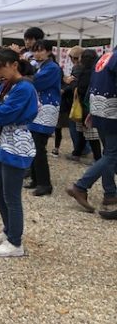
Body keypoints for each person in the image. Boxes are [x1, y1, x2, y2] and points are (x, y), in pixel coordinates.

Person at [0, 48, 38, 257]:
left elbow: (2, 115)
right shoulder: (10, 85)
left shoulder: (24, 88)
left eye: (1, 67)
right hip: (6, 141)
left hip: (17, 143)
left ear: (14, 64)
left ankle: (15, 243)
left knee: (12, 196)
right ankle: (8, 231)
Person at [66, 46, 117, 215]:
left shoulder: (106, 57)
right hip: (112, 112)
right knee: (112, 154)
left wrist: (91, 110)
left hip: (99, 109)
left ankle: (110, 193)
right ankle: (81, 186)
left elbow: (91, 85)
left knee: (109, 154)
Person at [26, 40, 61, 197]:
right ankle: (36, 179)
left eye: (40, 50)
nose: (37, 53)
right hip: (39, 108)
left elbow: (38, 83)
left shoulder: (52, 68)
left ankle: (45, 183)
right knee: (34, 145)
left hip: (47, 109)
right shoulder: (41, 66)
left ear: (48, 51)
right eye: (35, 50)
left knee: (39, 146)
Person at [69, 50, 102, 162]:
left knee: (91, 135)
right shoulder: (97, 70)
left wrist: (73, 83)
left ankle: (98, 159)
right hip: (94, 105)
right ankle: (77, 153)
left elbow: (81, 89)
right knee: (85, 133)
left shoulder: (86, 72)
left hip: (86, 107)